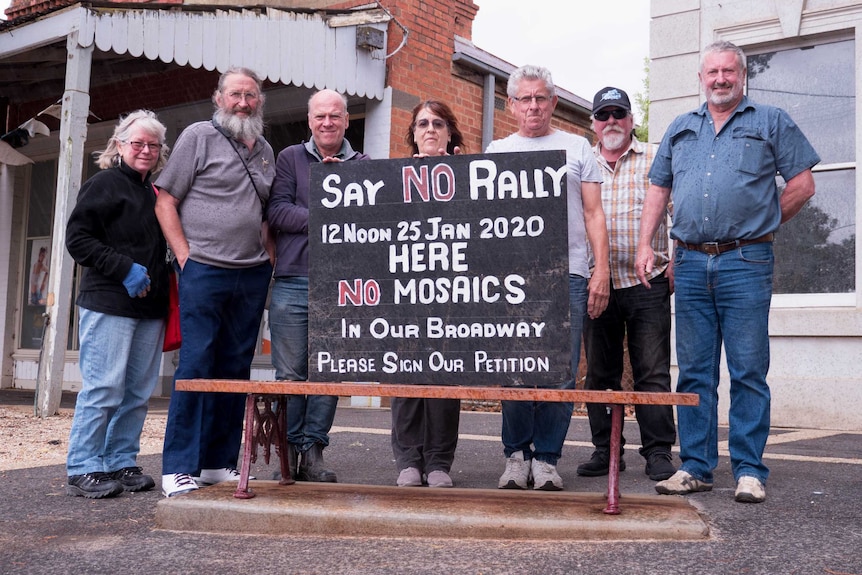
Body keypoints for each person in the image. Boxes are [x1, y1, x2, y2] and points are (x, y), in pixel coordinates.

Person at [636, 41, 819, 503]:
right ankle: (696, 466)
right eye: (712, 71)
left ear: (742, 76)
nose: (720, 78)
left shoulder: (770, 121)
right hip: (692, 261)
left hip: (746, 261)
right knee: (695, 370)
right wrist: (645, 243)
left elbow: (803, 183)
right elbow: (659, 189)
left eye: (728, 71)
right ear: (702, 77)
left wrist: (765, 222)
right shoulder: (681, 128)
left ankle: (750, 470)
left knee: (747, 369)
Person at [485, 65, 610, 491]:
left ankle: (548, 459)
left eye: (541, 98)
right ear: (511, 105)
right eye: (525, 99)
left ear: (553, 102)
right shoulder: (496, 151)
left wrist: (601, 271)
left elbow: (593, 214)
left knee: (559, 369)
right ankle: (516, 457)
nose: (533, 106)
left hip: (568, 274)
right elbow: (483, 221)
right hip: (512, 279)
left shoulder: (577, 147)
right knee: (515, 366)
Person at [155, 67, 275, 497]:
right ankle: (178, 467)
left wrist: (268, 259)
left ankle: (216, 461)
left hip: (251, 273)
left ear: (260, 101)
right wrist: (185, 257)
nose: (244, 102)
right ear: (218, 98)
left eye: (251, 95)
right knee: (196, 366)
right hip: (205, 268)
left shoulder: (265, 149)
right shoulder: (197, 137)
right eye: (236, 95)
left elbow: (263, 214)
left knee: (235, 369)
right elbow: (166, 201)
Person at [64, 110, 170, 498]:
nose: (145, 150)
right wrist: (123, 268)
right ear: (119, 145)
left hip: (150, 307)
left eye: (152, 145)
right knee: (104, 387)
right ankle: (83, 466)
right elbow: (77, 240)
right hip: (109, 301)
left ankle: (120, 461)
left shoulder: (156, 193)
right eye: (137, 143)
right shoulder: (104, 184)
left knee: (137, 393)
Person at [267, 89, 369, 483]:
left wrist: (339, 188)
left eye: (335, 116)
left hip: (341, 285)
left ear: (346, 121)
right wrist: (329, 210)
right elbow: (277, 211)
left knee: (329, 373)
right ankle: (288, 451)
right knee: (291, 375)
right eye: (320, 116)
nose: (327, 123)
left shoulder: (363, 165)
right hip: (293, 280)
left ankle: (314, 451)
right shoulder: (290, 158)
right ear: (310, 121)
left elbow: (368, 218)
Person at [577, 87, 677, 482]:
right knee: (600, 374)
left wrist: (677, 259)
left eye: (619, 113)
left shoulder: (655, 157)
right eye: (603, 115)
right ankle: (605, 450)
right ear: (593, 124)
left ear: (632, 119)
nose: (612, 121)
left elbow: (679, 210)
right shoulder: (581, 163)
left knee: (652, 371)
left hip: (646, 282)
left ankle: (657, 452)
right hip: (595, 282)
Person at [390, 100, 465, 489]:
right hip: (404, 294)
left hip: (453, 294)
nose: (430, 129)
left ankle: (438, 462)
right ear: (413, 134)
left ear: (449, 132)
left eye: (438, 123)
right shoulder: (391, 177)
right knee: (406, 375)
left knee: (444, 377)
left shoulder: (469, 177)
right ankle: (408, 459)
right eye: (422, 123)